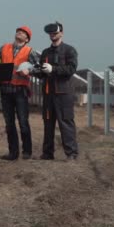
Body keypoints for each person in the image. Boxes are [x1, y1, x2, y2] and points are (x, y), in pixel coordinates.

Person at [33, 21, 79, 160]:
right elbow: (42, 74)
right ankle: (47, 153)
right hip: (48, 94)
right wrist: (34, 71)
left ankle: (71, 154)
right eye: (51, 34)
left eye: (55, 33)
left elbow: (71, 69)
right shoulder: (46, 52)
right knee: (48, 124)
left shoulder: (69, 50)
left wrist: (54, 69)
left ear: (61, 33)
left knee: (66, 123)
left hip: (64, 94)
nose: (53, 35)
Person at [0, 26, 39, 160]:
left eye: (23, 33)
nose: (20, 33)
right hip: (5, 90)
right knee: (9, 123)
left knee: (23, 122)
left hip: (21, 91)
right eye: (18, 31)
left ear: (27, 39)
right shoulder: (3, 48)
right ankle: (13, 153)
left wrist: (30, 71)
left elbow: (38, 68)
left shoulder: (30, 51)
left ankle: (27, 152)